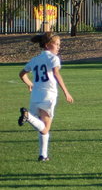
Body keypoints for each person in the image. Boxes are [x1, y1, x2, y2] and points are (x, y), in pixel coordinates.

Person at [18, 32, 74, 162]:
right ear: (48, 45)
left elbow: (22, 74)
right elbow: (56, 74)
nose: (59, 47)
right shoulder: (53, 58)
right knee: (45, 128)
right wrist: (66, 92)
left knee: (41, 126)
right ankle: (28, 116)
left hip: (35, 95)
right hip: (48, 94)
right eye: (57, 44)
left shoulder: (35, 59)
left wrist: (30, 84)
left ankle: (43, 155)